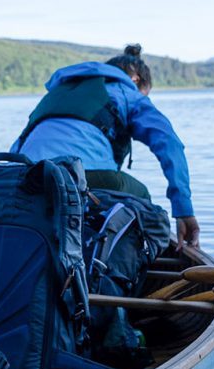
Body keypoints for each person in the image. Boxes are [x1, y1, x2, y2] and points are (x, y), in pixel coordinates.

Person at [11, 44, 200, 250]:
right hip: (82, 177)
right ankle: (129, 270)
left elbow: (17, 148)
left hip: (26, 178)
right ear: (135, 80)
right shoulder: (127, 92)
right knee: (142, 199)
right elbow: (169, 144)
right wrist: (184, 210)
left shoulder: (56, 95)